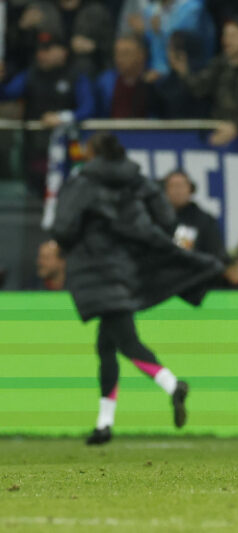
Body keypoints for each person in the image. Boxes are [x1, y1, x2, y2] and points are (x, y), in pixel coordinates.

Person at [51, 132, 223, 445]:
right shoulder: (137, 181)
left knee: (127, 343)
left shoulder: (83, 182)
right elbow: (167, 218)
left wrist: (81, 239)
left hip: (95, 270)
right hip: (128, 269)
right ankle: (104, 424)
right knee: (106, 345)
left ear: (93, 153)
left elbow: (62, 227)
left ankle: (173, 385)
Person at [0, 32, 95, 197]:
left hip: (69, 151)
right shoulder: (30, 75)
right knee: (37, 197)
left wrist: (62, 118)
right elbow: (7, 94)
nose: (41, 54)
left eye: (48, 49)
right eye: (40, 50)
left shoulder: (75, 75)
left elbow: (88, 108)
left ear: (63, 51)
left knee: (70, 193)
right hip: (36, 151)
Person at [174, 17, 238, 146]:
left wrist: (237, 126)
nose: (227, 40)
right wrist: (184, 72)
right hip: (223, 137)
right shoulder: (219, 65)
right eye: (225, 35)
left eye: (233, 35)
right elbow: (199, 88)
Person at [162, 170, 227, 262]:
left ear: (190, 190)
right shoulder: (156, 218)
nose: (177, 191)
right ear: (165, 191)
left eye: (181, 186)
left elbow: (217, 254)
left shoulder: (204, 220)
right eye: (172, 186)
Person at [95, 35, 153, 119]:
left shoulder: (154, 83)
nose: (119, 59)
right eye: (117, 53)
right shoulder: (104, 82)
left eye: (125, 53)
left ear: (141, 55)